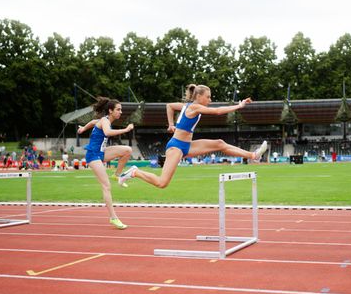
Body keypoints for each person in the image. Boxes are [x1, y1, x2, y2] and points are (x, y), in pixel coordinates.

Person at [118, 84, 267, 189]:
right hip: (176, 146)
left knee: (220, 143)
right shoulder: (194, 107)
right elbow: (217, 111)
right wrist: (239, 106)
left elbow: (169, 106)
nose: (210, 100)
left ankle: (253, 155)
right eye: (208, 97)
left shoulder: (186, 107)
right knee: (162, 183)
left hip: (187, 146)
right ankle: (134, 172)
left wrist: (171, 124)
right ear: (199, 96)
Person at [77, 97, 134, 230]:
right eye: (118, 109)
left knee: (127, 150)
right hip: (93, 155)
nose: (121, 112)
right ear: (110, 110)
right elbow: (108, 132)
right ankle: (113, 218)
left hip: (102, 153)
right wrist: (125, 130)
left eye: (121, 109)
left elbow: (92, 122)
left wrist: (83, 129)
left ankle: (117, 175)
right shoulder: (105, 121)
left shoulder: (103, 120)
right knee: (106, 186)